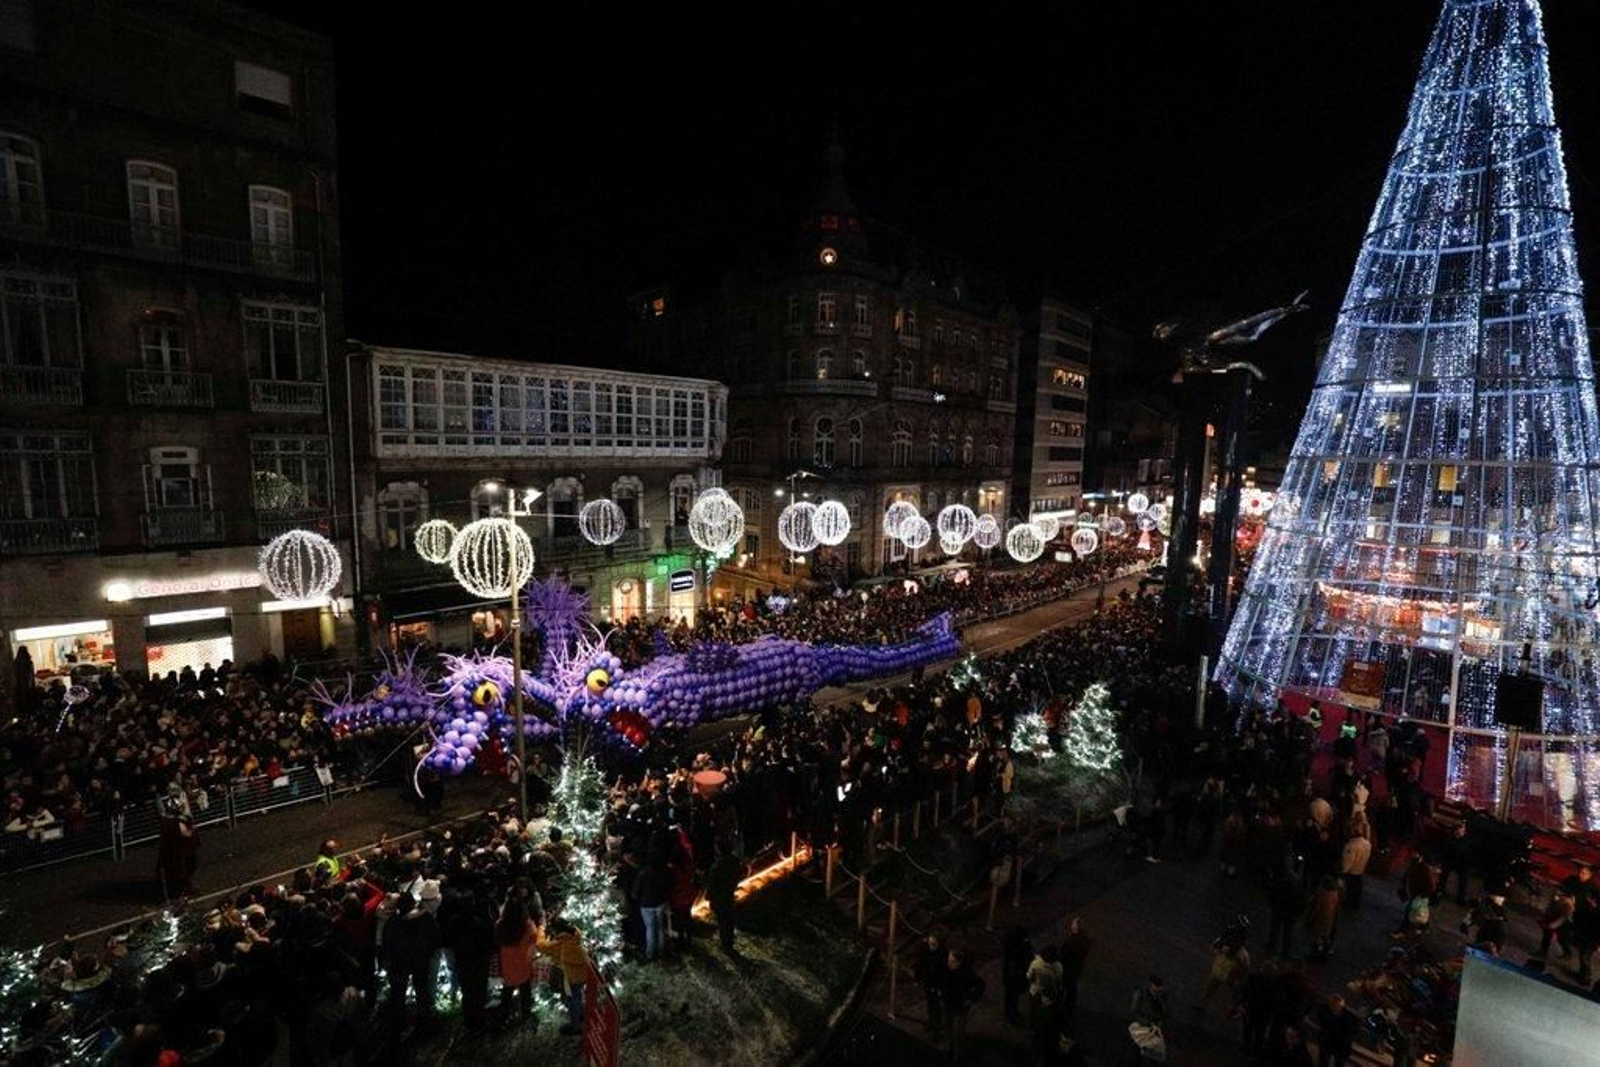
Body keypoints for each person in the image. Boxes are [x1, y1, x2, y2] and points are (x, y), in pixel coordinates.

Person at [381, 893, 440, 1029]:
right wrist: (428, 952)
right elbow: (435, 937)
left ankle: (400, 1022)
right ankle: (424, 1019)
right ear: (413, 903)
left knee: (399, 993)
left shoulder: (393, 922)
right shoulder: (425, 917)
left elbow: (387, 943)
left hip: (400, 963)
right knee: (421, 989)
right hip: (420, 961)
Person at [536, 919, 590, 1036]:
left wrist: (541, 929)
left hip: (571, 978)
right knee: (577, 995)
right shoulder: (575, 936)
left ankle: (575, 1026)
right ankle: (581, 1014)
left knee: (572, 1000)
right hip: (582, 973)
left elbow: (540, 946)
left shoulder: (559, 944)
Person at [494, 898, 538, 1031]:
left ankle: (503, 1018)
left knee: (507, 992)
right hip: (523, 963)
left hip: (507, 964)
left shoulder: (500, 925)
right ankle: (526, 1014)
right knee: (525, 990)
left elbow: (496, 942)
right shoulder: (527, 926)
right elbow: (535, 938)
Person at [155, 783, 199, 901]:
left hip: (177, 847)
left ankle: (180, 887)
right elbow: (185, 832)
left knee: (183, 868)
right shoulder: (174, 818)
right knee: (180, 869)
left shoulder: (171, 815)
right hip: (179, 848)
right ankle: (180, 891)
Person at [941, 948, 984, 1060]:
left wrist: (971, 999)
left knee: (957, 1033)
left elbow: (980, 985)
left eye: (952, 961)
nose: (948, 963)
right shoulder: (946, 970)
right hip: (948, 1004)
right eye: (948, 960)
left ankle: (958, 1055)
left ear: (959, 962)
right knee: (947, 1027)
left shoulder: (967, 973)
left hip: (960, 1008)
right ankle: (949, 1049)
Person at [632, 856, 670, 962]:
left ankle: (650, 954)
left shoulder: (642, 873)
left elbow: (635, 892)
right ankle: (661, 952)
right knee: (660, 928)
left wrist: (638, 898)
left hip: (646, 905)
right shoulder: (663, 872)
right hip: (659, 903)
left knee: (650, 929)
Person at [706, 846, 741, 955]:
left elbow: (712, 885)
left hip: (719, 898)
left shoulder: (716, 866)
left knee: (722, 921)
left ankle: (725, 944)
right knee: (729, 920)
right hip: (729, 895)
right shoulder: (734, 861)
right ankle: (729, 942)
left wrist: (709, 897)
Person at [1312, 993, 1360, 1067]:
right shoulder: (1324, 1010)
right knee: (1323, 1061)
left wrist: (1349, 1037)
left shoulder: (1349, 1016)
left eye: (1339, 1006)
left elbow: (1355, 1027)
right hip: (1328, 1041)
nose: (1336, 1008)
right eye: (1334, 1005)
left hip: (1341, 1044)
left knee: (1339, 1063)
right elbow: (1323, 1020)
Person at [915, 932, 949, 1035]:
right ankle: (931, 1024)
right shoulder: (926, 951)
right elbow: (921, 963)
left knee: (937, 1007)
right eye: (930, 943)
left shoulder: (943, 954)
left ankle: (937, 1029)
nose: (931, 946)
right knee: (930, 1005)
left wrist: (941, 987)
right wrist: (918, 977)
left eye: (934, 944)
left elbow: (945, 972)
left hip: (938, 985)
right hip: (929, 982)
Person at [1001, 925, 1032, 1025]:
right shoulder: (1021, 948)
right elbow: (1028, 957)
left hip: (1010, 974)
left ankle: (1009, 1012)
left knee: (1009, 995)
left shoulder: (1009, 946)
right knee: (1013, 996)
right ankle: (1012, 1015)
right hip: (1016, 976)